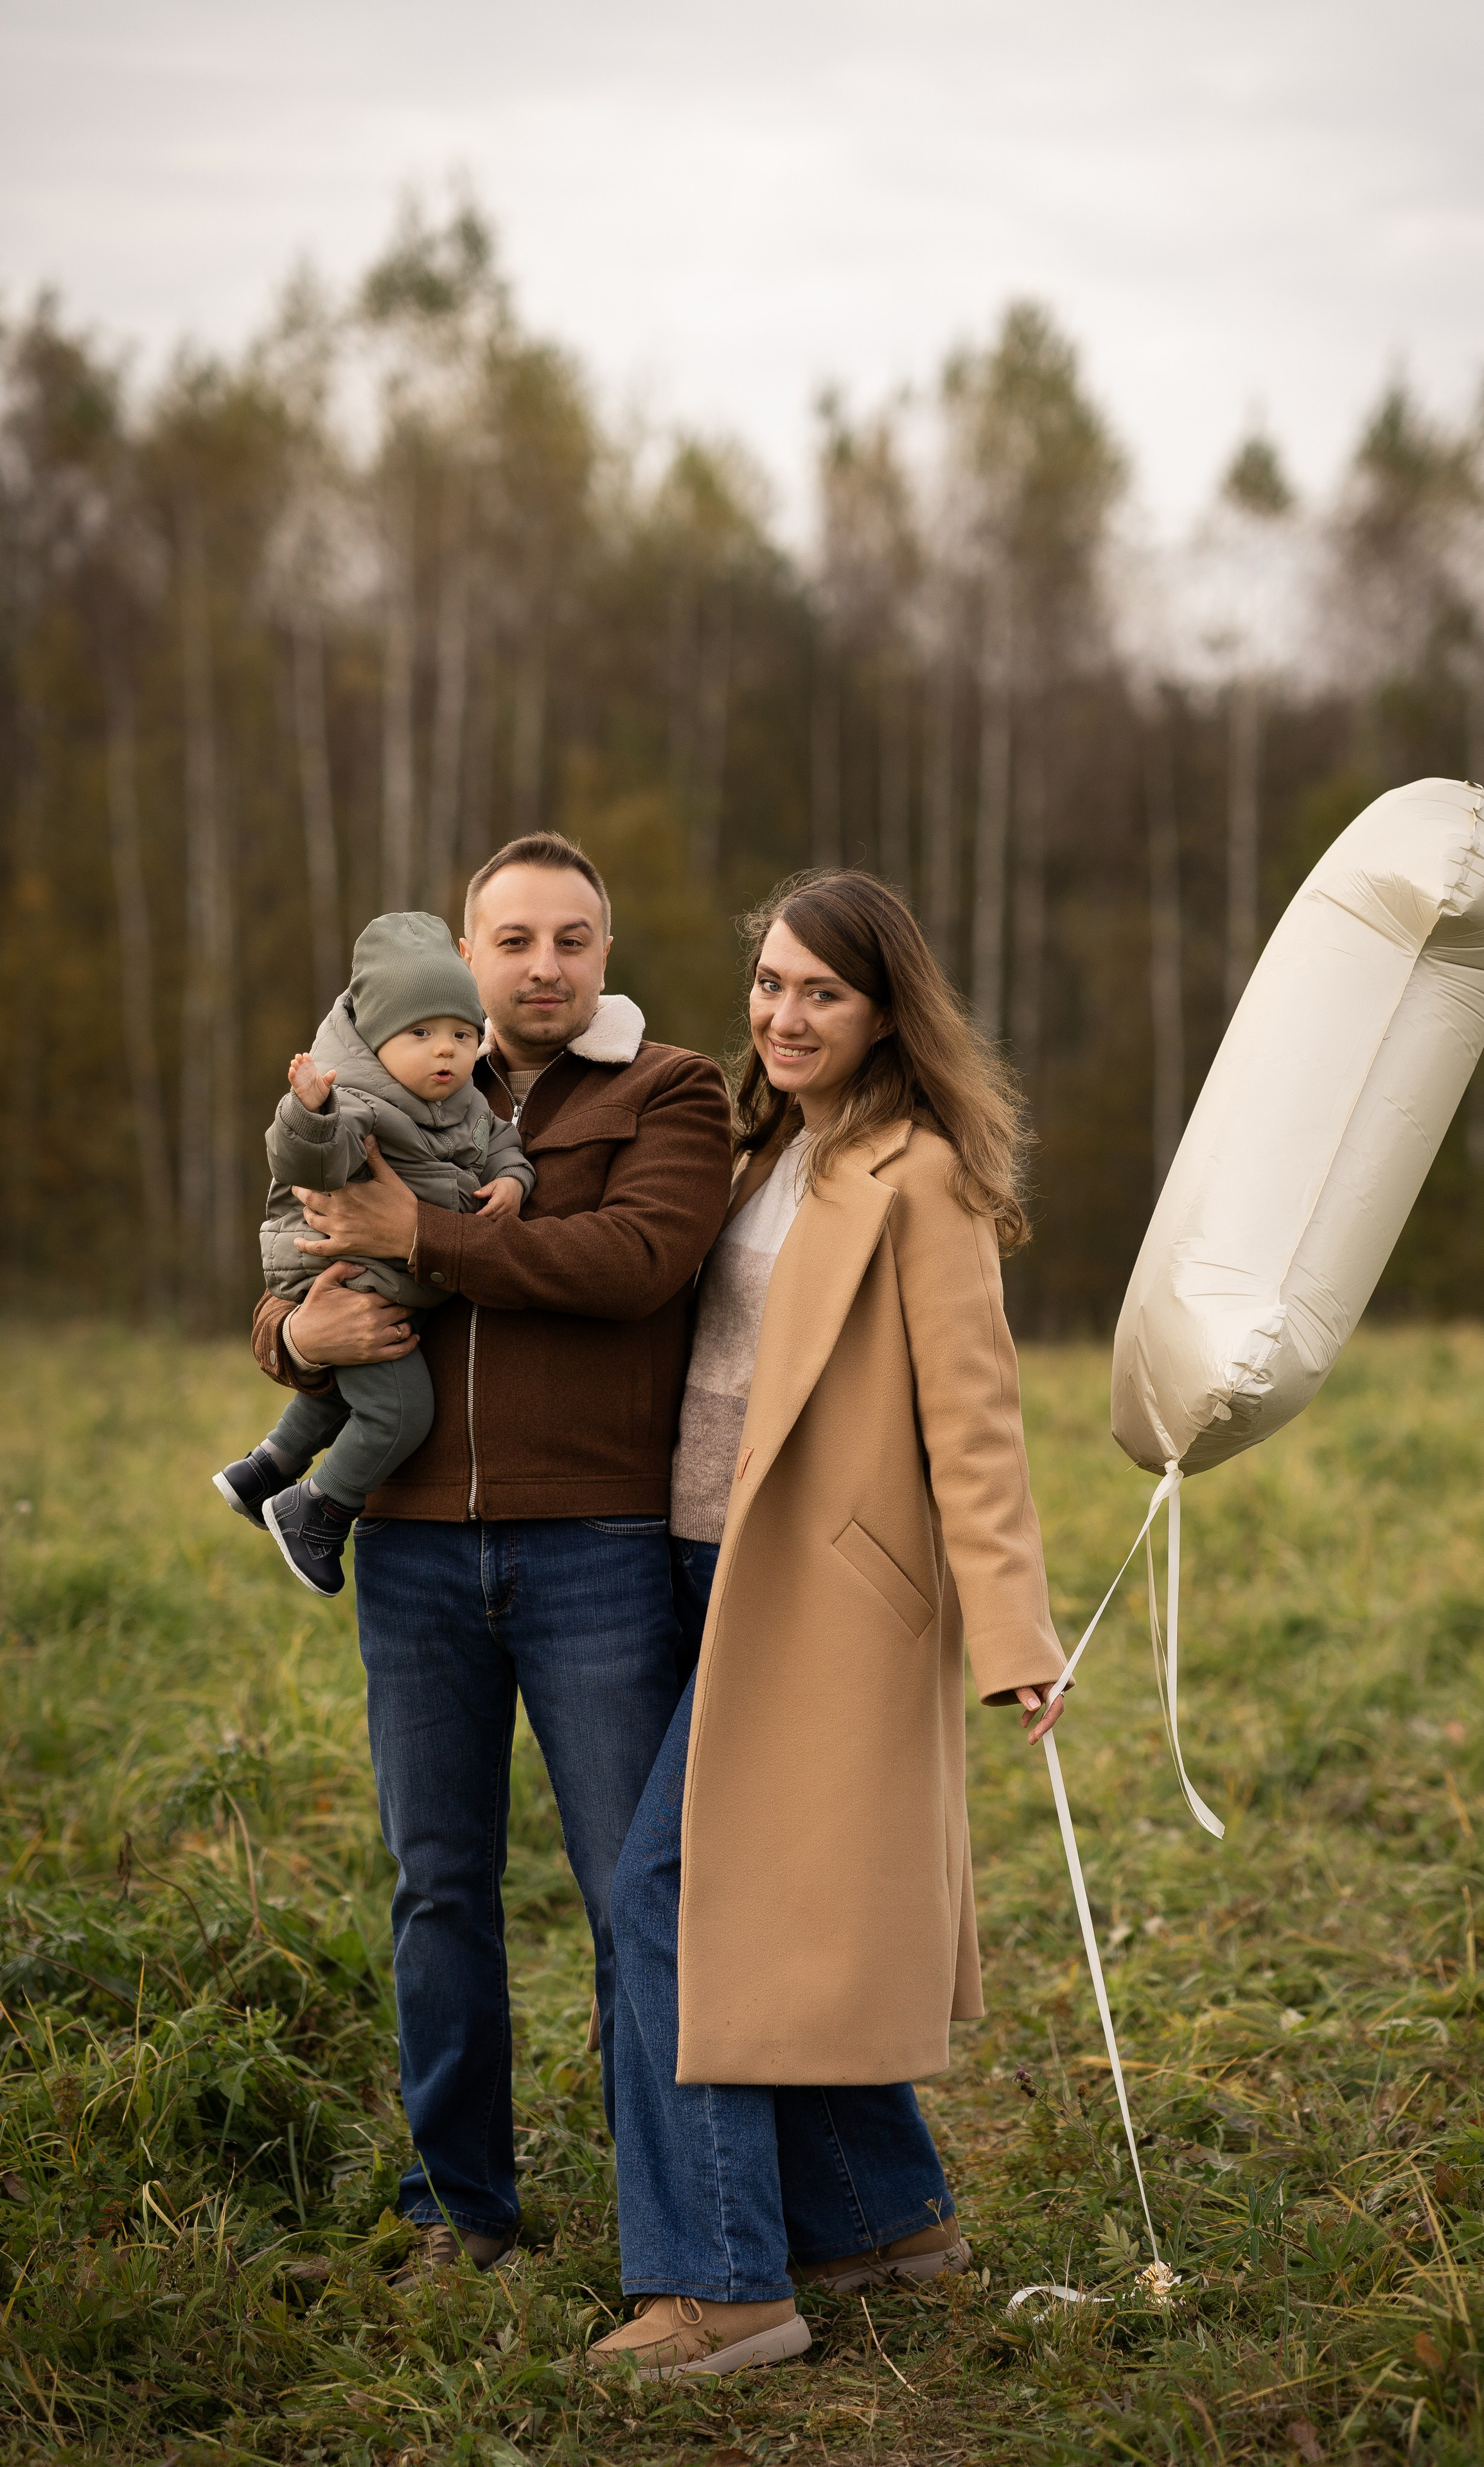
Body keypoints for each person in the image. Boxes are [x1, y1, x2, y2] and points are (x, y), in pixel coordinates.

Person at [590, 870, 1067, 2382]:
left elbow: (973, 1422)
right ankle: (882, 2223)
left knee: (672, 1900)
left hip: (822, 1595)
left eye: (822, 993)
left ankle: (721, 2286)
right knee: (768, 1902)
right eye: (770, 984)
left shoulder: (919, 1177)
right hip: (692, 1568)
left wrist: (1014, 1635)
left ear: (883, 1014)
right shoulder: (754, 1151)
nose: (785, 1015)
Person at [247, 832, 732, 2285]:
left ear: (605, 952)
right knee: (438, 1888)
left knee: (632, 1894)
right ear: (463, 953)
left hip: (596, 1547)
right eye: (512, 940)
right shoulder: (376, 1089)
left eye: (572, 938)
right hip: (407, 1552)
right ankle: (456, 2213)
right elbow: (294, 1256)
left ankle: (680, 2232)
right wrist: (296, 1335)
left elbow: (632, 1264)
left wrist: (425, 1231)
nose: (542, 966)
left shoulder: (670, 1091)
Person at [216, 910, 534, 1598]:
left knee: (352, 1390)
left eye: (461, 1034)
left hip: (392, 1280)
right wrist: (311, 1113)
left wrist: (512, 1180)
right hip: (346, 1275)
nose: (444, 1051)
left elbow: (500, 1142)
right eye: (420, 1034)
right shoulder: (356, 1100)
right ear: (376, 1039)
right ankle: (318, 1509)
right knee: (399, 1411)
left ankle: (265, 1469)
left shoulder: (465, 1102)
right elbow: (313, 1164)